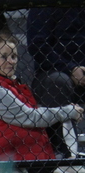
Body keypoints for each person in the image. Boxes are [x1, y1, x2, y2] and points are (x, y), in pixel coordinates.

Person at [0, 33, 84, 173]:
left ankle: (71, 159)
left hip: (28, 157)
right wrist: (68, 111)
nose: (10, 61)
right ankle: (71, 160)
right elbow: (30, 117)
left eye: (13, 56)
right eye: (3, 57)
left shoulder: (9, 85)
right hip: (11, 163)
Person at [27, 8, 85, 158]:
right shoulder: (45, 6)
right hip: (54, 70)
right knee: (58, 82)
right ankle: (66, 156)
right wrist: (70, 69)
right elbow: (37, 44)